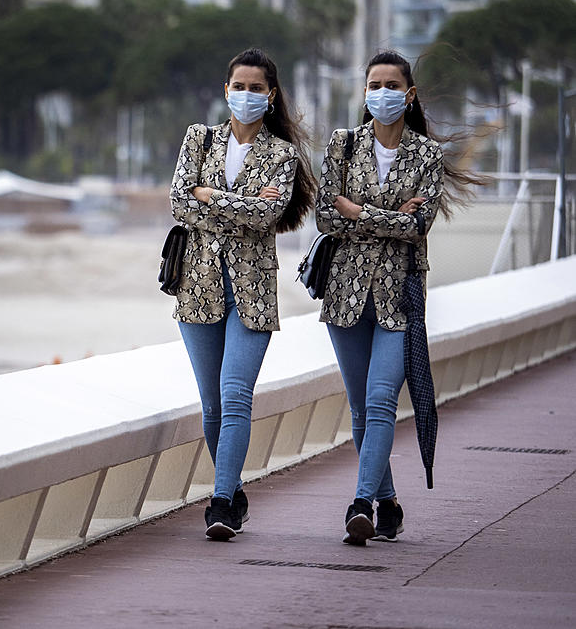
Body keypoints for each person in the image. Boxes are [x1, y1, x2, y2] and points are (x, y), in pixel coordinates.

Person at [317, 50, 481, 546]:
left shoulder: (427, 155)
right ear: (364, 92)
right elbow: (327, 217)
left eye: (392, 85)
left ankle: (361, 502)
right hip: (344, 294)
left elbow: (419, 225)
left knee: (382, 398)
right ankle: (387, 501)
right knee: (362, 409)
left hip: (400, 297)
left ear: (408, 95)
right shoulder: (342, 146)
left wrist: (359, 210)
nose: (381, 93)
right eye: (374, 84)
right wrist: (386, 216)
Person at [169, 48, 316, 540]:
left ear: (270, 95)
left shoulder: (281, 154)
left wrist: (210, 197)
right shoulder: (199, 138)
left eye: (257, 88)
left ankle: (221, 501)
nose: (247, 95)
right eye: (240, 86)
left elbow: (264, 218)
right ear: (225, 89)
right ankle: (233, 489)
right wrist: (238, 204)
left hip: (253, 294)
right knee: (211, 405)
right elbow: (178, 202)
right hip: (197, 289)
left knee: (236, 397)